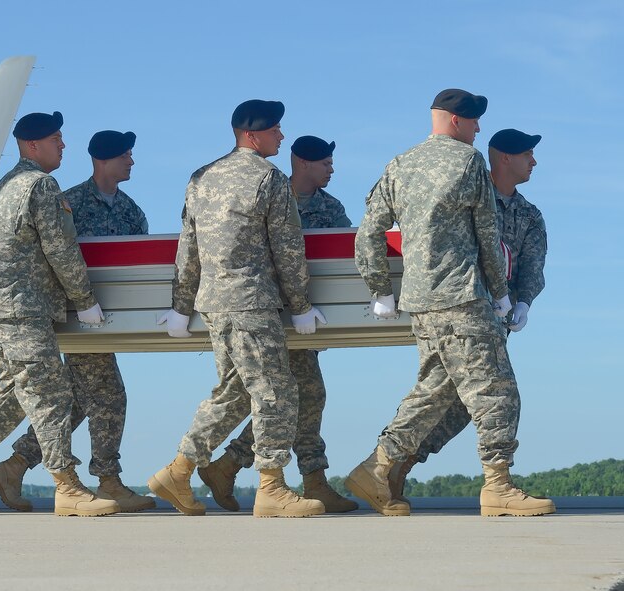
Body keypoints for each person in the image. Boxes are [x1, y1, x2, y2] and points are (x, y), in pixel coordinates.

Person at [346, 89, 555, 517]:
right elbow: (485, 235)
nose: (479, 130)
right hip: (463, 295)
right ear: (457, 121)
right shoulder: (467, 161)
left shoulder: (399, 164)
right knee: (497, 391)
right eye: (474, 122)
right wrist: (500, 294)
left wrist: (381, 290)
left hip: (422, 300)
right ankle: (497, 486)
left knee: (436, 393)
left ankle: (379, 469)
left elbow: (368, 231)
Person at [0, 112, 120, 517]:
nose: (63, 145)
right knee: (51, 394)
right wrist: (84, 300)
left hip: (1, 305)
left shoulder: (2, 187)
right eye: (55, 139)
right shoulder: (41, 185)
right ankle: (66, 485)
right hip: (21, 306)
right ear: (32, 146)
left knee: (15, 397)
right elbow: (61, 248)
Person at [149, 100, 326, 518]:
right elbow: (288, 249)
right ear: (252, 136)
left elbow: (187, 247)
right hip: (251, 300)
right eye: (275, 130)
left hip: (215, 303)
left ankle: (178, 471)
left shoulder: (201, 178)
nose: (281, 136)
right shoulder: (269, 178)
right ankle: (271, 487)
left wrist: (181, 304)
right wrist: (301, 305)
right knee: (276, 392)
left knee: (234, 393)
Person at [0, 130, 155, 513]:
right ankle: (108, 481)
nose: (131, 162)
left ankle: (13, 467)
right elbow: (56, 255)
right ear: (105, 159)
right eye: (126, 155)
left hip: (107, 321)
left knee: (79, 398)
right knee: (109, 395)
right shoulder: (69, 201)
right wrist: (82, 303)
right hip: (73, 317)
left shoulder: (131, 210)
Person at [386, 128, 547, 501]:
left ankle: (393, 465)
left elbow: (532, 266)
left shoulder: (528, 214)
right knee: (490, 394)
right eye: (527, 154)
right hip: (456, 307)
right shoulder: (469, 192)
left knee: (451, 402)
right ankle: (496, 486)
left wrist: (523, 302)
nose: (534, 162)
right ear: (504, 158)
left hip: (492, 317)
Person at [199, 135, 356, 513]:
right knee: (291, 395)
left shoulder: (330, 209)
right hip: (263, 311)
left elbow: (344, 253)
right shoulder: (267, 189)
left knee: (304, 396)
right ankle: (298, 479)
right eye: (324, 163)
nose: (331, 169)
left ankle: (233, 464)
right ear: (302, 162)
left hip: (298, 315)